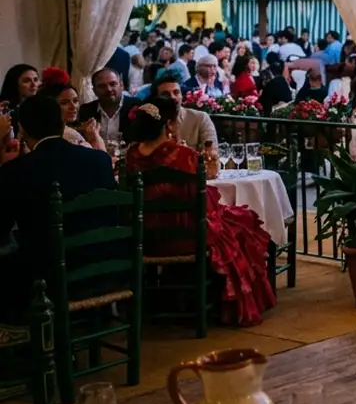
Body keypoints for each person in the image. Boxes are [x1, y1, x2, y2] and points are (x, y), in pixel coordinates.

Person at [124, 98, 276, 327]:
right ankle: (217, 300)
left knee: (235, 221)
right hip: (185, 238)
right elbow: (203, 203)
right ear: (170, 124)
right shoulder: (184, 155)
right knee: (242, 224)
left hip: (144, 238)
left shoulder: (131, 156)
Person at [0, 96, 125, 321]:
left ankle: (26, 341)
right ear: (61, 125)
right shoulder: (100, 160)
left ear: (23, 129)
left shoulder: (17, 170)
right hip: (107, 266)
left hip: (53, 277)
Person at [150, 71, 219, 148]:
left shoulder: (201, 118)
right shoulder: (148, 120)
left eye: (176, 92)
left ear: (182, 95)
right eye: (165, 94)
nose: (172, 97)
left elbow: (212, 154)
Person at [37, 84, 106, 152]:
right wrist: (94, 137)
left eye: (75, 101)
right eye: (64, 103)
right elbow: (101, 160)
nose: (73, 107)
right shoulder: (70, 136)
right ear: (49, 106)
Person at [80, 68, 136, 145]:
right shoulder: (86, 110)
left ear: (121, 85)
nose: (108, 89)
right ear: (94, 91)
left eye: (113, 84)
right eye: (102, 86)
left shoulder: (137, 107)